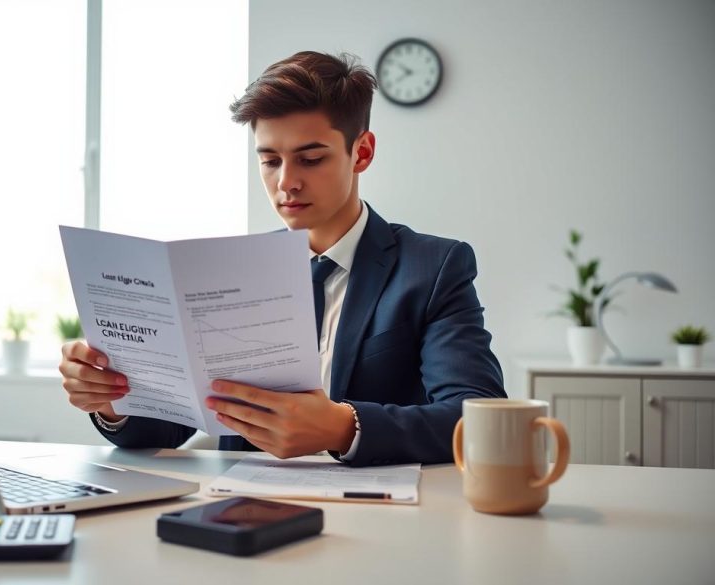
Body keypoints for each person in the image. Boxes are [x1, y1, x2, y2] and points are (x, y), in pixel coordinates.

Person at [58, 51, 505, 466]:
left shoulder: (434, 267)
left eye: (310, 159)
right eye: (270, 161)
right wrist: (114, 403)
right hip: (244, 513)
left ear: (362, 152)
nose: (286, 182)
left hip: (380, 517)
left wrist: (343, 426)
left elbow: (478, 419)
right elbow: (171, 427)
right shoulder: (234, 271)